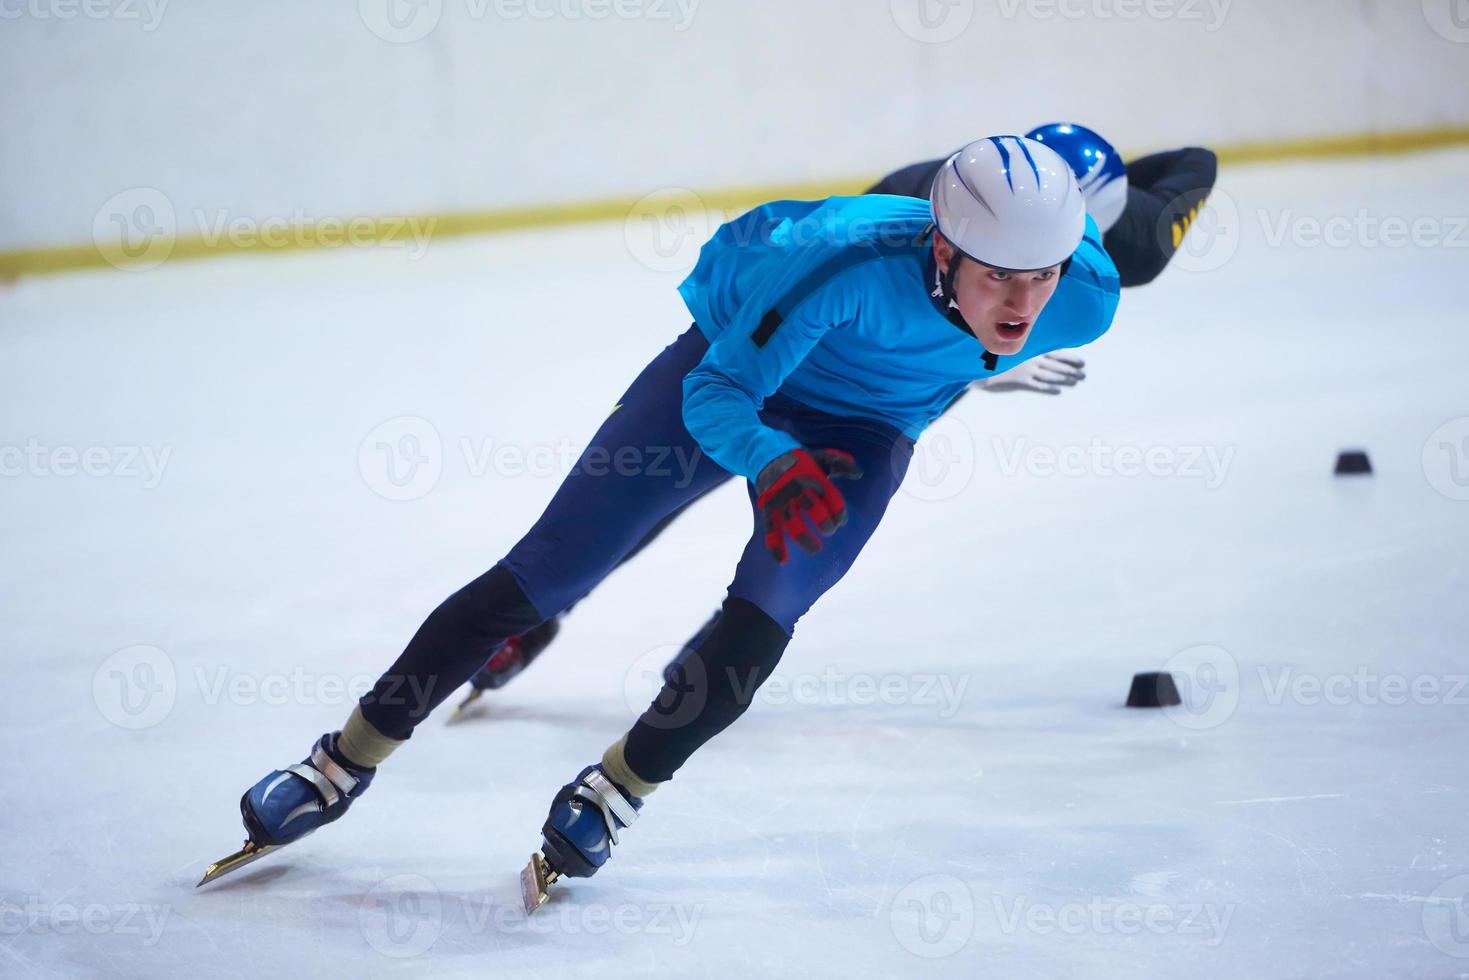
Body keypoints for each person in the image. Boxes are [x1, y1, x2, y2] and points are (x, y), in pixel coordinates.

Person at [202, 136, 1122, 910]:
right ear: (942, 250)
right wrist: (769, 457)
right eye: (999, 278)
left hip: (861, 431)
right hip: (730, 377)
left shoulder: (1087, 295)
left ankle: (618, 790)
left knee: (766, 613)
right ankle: (338, 765)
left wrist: (972, 363)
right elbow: (720, 390)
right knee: (540, 576)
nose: (1023, 304)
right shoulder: (841, 262)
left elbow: (1148, 205)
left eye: (1040, 278)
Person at [451, 123, 1217, 710]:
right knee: (686, 462)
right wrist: (990, 368)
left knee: (828, 491)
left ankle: (717, 640)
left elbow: (1194, 165)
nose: (1029, 283)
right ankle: (548, 605)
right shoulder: (918, 204)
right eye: (1006, 268)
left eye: (1046, 267)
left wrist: (997, 354)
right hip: (862, 312)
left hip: (947, 335)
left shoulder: (1128, 249)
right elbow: (896, 307)